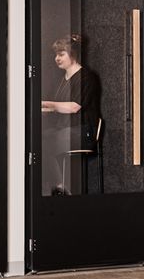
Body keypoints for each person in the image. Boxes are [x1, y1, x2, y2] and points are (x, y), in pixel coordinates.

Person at [41, 34, 100, 195]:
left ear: (72, 54)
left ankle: (59, 187)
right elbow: (59, 107)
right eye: (56, 54)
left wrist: (48, 105)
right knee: (35, 140)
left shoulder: (87, 77)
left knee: (45, 142)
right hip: (63, 130)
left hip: (83, 131)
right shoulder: (62, 79)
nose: (56, 58)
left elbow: (74, 107)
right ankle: (56, 187)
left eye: (61, 54)